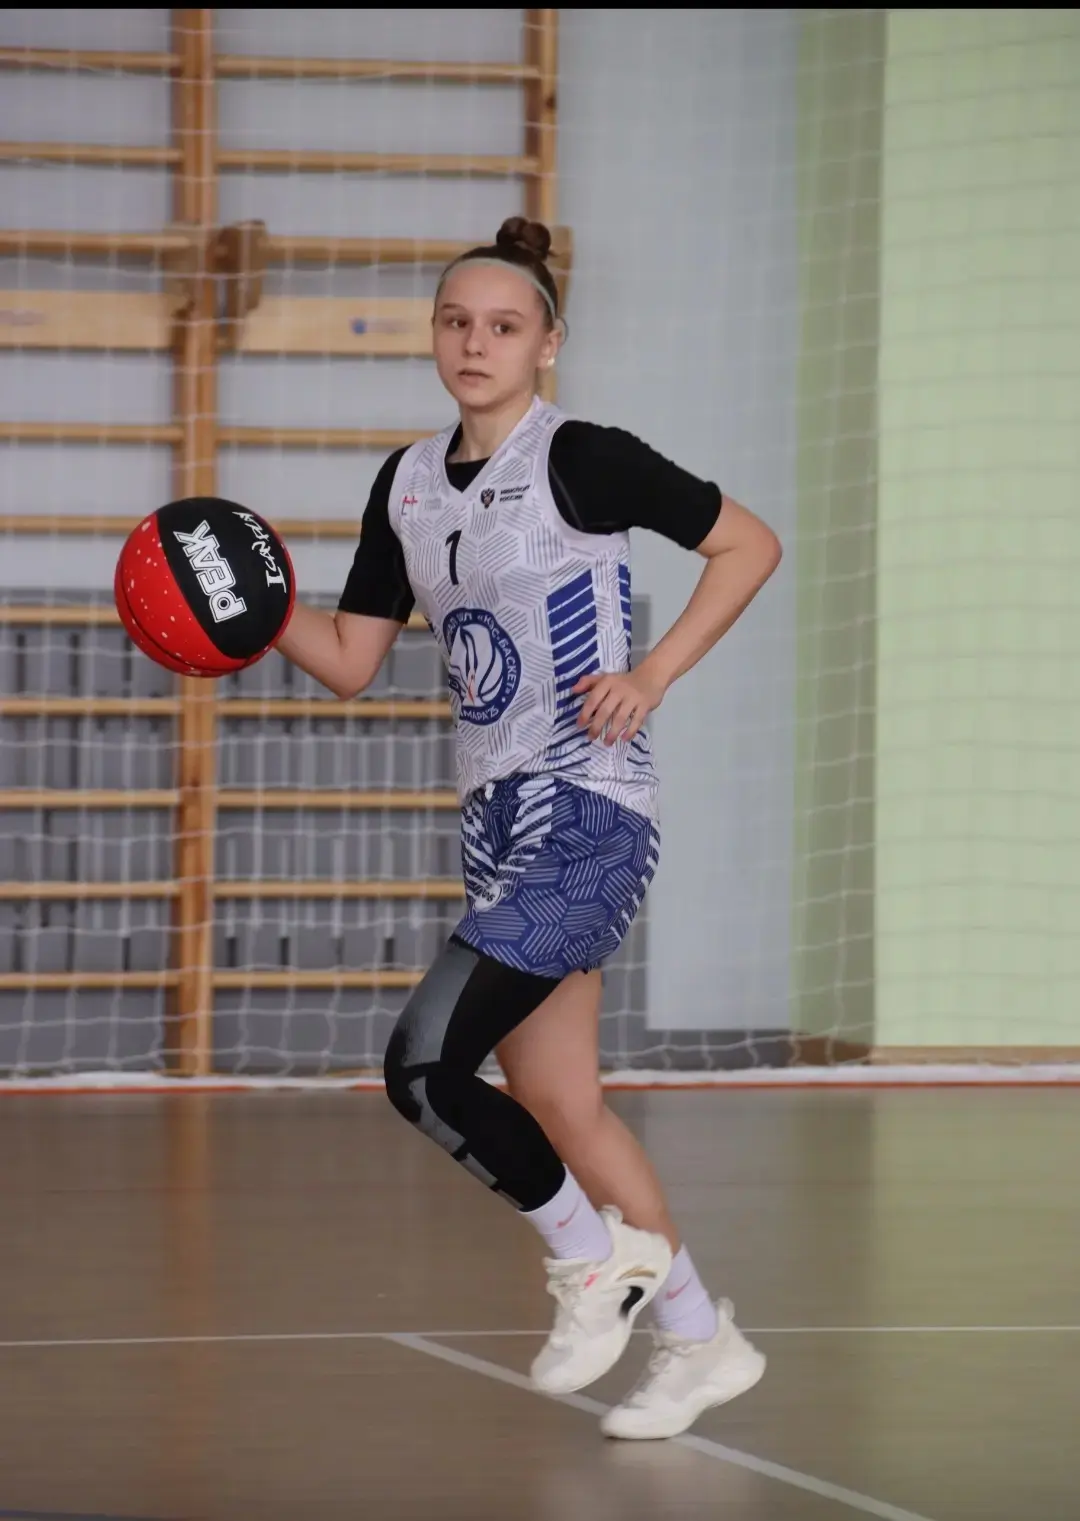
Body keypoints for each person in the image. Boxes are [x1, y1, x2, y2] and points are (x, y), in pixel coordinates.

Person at [275, 216, 781, 1440]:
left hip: (589, 813)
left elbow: (748, 544)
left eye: (503, 326)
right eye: (456, 322)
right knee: (562, 1105)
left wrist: (652, 674)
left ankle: (591, 1262)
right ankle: (702, 1342)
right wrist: (251, 606)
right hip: (499, 828)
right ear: (434, 336)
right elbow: (349, 660)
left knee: (422, 1068)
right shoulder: (405, 483)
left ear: (547, 344)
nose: (476, 343)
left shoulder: (583, 459)